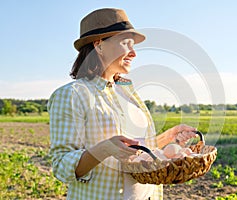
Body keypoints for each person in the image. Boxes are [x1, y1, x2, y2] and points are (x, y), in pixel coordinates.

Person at [48, 8, 197, 200]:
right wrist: (104, 149)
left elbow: (137, 149)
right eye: (126, 43)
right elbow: (61, 167)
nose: (134, 53)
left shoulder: (127, 93)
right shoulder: (72, 94)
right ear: (99, 45)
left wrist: (170, 136)